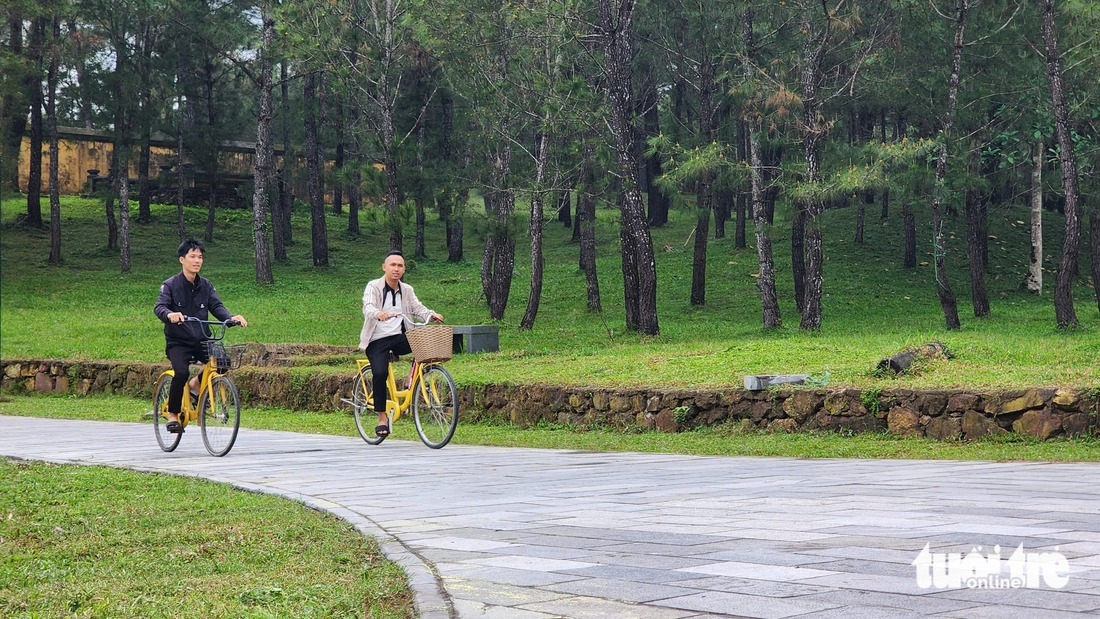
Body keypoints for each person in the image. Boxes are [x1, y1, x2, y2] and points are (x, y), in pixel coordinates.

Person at [154, 239, 248, 434]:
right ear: (182, 259)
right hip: (178, 341)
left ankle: (195, 385)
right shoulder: (170, 285)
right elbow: (160, 307)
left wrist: (231, 318)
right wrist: (170, 315)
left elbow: (216, 306)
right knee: (180, 372)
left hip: (201, 339)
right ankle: (173, 414)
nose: (197, 261)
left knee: (222, 362)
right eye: (192, 257)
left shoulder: (206, 285)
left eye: (200, 257)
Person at [359, 251, 443, 437]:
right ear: (384, 267)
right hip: (377, 340)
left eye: (400, 266)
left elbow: (417, 308)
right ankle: (382, 418)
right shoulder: (374, 286)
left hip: (399, 336)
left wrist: (431, 314)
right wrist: (378, 314)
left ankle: (410, 380)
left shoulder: (407, 290)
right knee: (379, 373)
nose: (396, 269)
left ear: (404, 269)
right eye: (393, 265)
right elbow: (368, 305)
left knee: (422, 342)